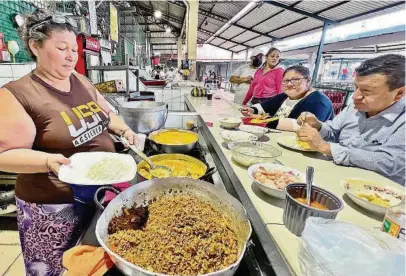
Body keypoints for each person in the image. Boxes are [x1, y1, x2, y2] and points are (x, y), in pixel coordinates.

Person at [0, 10, 140, 274]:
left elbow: (106, 114)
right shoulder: (18, 94)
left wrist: (126, 132)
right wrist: (47, 161)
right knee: (52, 269)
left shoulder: (79, 80)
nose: (71, 56)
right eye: (61, 48)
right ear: (35, 45)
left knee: (86, 265)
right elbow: (3, 154)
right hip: (51, 206)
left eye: (73, 49)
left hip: (97, 196)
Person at [296, 54, 405, 185]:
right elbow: (333, 132)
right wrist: (317, 125)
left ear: (399, 93)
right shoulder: (355, 107)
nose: (355, 96)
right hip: (333, 175)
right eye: (355, 87)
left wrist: (326, 147)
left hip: (378, 193)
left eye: (366, 91)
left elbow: (390, 162)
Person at [241, 65, 333, 131]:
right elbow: (264, 106)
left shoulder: (319, 101)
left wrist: (263, 121)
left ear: (308, 81)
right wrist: (251, 110)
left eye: (295, 80)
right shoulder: (285, 96)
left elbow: (304, 126)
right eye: (285, 81)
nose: (289, 84)